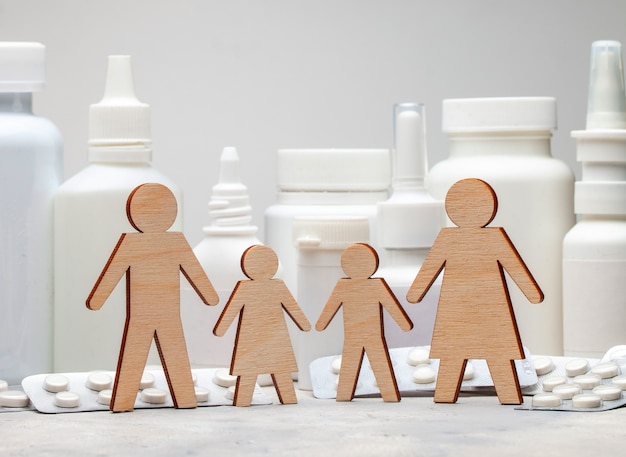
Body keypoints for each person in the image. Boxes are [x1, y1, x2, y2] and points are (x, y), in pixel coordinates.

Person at [406, 178, 543, 404]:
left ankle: (501, 395)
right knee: (478, 352)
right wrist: (531, 293)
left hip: (473, 311)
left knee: (482, 352)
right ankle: (454, 395)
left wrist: (415, 293)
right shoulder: (453, 239)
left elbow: (514, 266)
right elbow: (516, 269)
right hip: (469, 311)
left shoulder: (479, 238)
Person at [87, 183, 218, 412]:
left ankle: (127, 402)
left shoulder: (165, 242)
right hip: (151, 315)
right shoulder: (156, 242)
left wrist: (98, 299)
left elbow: (193, 270)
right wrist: (209, 296)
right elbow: (113, 272)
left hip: (156, 315)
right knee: (150, 356)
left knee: (139, 357)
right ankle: (178, 399)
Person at [213, 244, 310, 406]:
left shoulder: (273, 286)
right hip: (264, 338)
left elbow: (291, 306)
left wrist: (221, 329)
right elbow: (293, 309)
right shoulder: (258, 287)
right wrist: (304, 324)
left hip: (264, 338)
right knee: (265, 369)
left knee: (261, 369)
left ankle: (278, 399)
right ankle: (248, 400)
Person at [316, 243, 413, 402]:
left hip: (370, 334)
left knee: (372, 362)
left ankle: (385, 395)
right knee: (356, 363)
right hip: (357, 334)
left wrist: (321, 324)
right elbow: (332, 306)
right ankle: (351, 395)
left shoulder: (373, 285)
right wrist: (404, 324)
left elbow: (390, 305)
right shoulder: (346, 285)